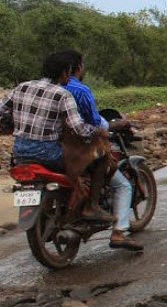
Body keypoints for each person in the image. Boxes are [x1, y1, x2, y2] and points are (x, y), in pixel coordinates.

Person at [1, 52, 114, 224]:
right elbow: (79, 128)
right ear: (64, 72)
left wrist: (12, 125)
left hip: (19, 152)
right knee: (100, 155)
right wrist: (98, 132)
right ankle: (92, 206)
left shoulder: (21, 87)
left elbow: (2, 112)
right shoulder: (62, 95)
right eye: (69, 72)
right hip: (48, 153)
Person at [61, 50, 142, 251]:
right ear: (76, 68)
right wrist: (118, 124)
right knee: (122, 184)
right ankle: (117, 232)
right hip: (81, 149)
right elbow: (95, 123)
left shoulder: (45, 89)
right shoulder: (79, 90)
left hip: (54, 150)